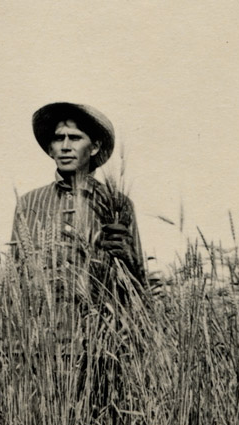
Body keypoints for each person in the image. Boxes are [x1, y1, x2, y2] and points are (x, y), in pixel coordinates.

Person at [10, 102, 147, 312]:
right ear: (50, 149)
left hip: (100, 327)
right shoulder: (29, 203)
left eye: (75, 137)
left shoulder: (118, 204)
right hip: (43, 327)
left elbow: (137, 279)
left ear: (94, 147)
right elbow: (14, 275)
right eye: (58, 138)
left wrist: (127, 257)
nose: (65, 146)